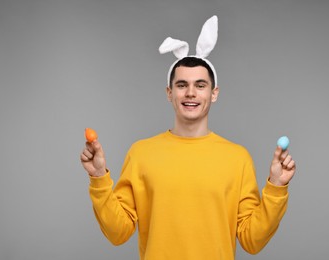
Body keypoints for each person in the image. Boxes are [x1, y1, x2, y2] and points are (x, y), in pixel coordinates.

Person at [80, 16, 296, 260]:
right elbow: (117, 233)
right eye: (182, 85)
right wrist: (99, 177)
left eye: (200, 85)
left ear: (214, 94)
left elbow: (251, 240)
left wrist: (276, 188)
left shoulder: (237, 158)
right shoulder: (141, 153)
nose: (191, 92)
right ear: (169, 93)